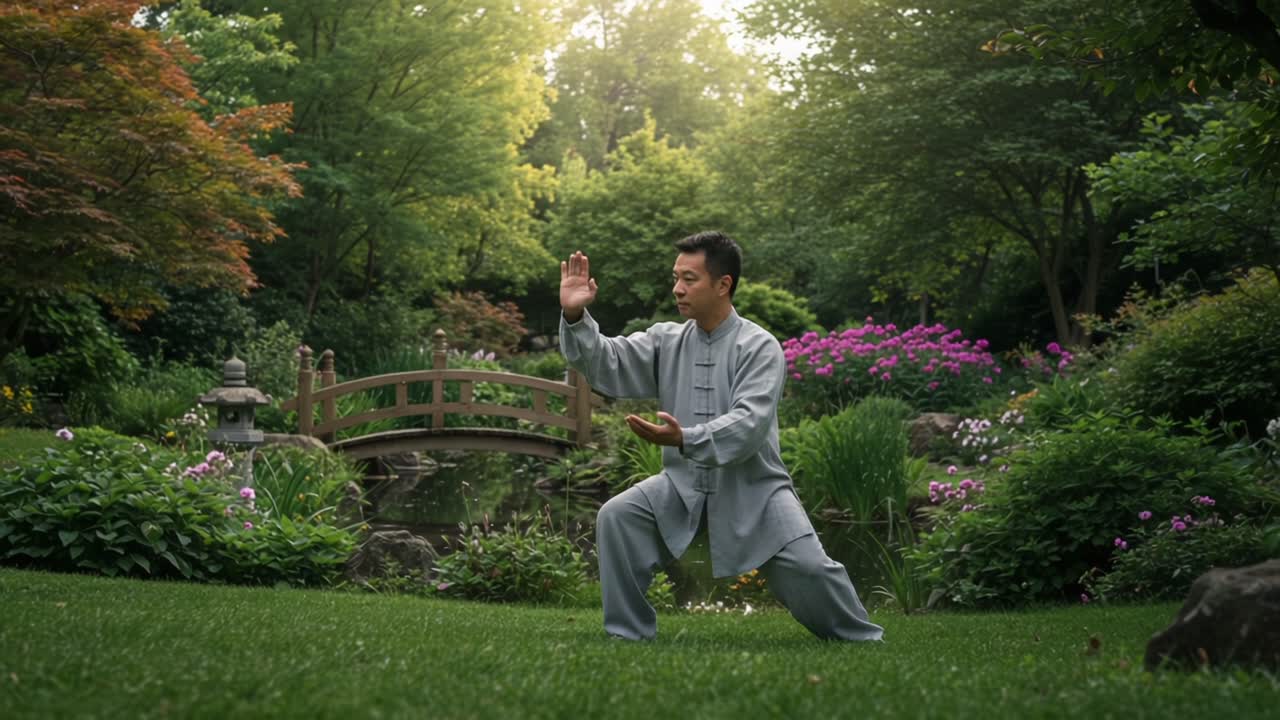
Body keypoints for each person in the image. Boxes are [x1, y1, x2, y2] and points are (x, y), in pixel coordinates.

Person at [559, 230, 884, 642]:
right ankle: (628, 634)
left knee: (810, 569)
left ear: (723, 284)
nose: (677, 288)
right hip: (681, 485)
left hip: (755, 489)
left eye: (689, 279)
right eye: (676, 277)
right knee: (618, 517)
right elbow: (608, 363)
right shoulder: (666, 339)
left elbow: (749, 424)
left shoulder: (759, 346)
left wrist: (684, 439)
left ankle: (860, 637)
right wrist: (575, 317)